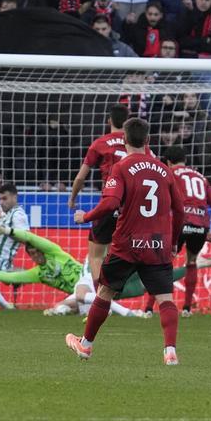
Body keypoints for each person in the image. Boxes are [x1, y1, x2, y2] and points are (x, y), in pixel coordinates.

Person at [66, 117, 185, 366]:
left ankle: (86, 345)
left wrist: (85, 216)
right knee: (165, 299)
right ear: (148, 141)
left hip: (127, 244)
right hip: (157, 244)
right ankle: (170, 351)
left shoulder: (120, 168)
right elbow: (180, 210)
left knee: (105, 291)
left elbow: (110, 204)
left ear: (123, 139)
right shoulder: (165, 170)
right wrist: (174, 242)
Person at [0, 221, 147, 318]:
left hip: (88, 274)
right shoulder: (39, 273)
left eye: (36, 251)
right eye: (32, 255)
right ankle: (73, 310)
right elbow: (11, 276)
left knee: (81, 294)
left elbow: (31, 237)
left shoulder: (53, 252)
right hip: (83, 291)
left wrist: (7, 231)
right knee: (65, 306)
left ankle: (130, 313)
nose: (36, 255)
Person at [68, 104, 129, 284]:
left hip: (110, 203)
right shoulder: (139, 145)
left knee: (96, 256)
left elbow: (80, 178)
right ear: (127, 122)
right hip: (132, 207)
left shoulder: (99, 144)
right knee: (119, 254)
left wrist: (72, 198)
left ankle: (100, 301)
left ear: (109, 120)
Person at [163, 145, 211, 316]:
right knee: (191, 262)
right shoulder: (201, 177)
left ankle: (150, 308)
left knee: (165, 262)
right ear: (185, 160)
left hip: (181, 222)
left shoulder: (171, 173)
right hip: (201, 225)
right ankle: (187, 308)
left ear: (168, 162)